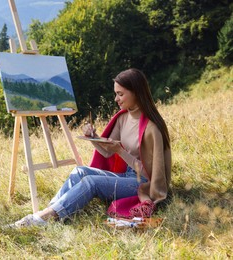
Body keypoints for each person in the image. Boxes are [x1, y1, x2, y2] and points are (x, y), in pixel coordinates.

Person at [13, 68, 172, 227]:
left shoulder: (151, 128)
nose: (116, 99)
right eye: (115, 94)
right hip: (126, 176)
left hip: (141, 182)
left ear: (136, 92)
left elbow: (150, 175)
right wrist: (93, 137)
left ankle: (45, 217)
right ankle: (47, 213)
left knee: (91, 182)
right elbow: (107, 151)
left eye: (121, 94)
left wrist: (121, 152)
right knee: (79, 171)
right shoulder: (123, 118)